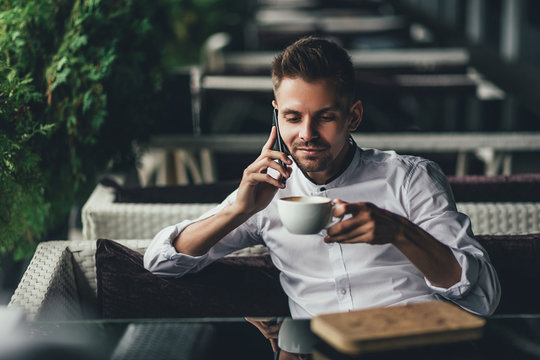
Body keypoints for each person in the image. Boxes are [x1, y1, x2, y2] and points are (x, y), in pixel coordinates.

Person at [144, 37, 500, 323]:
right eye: (293, 117)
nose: (307, 133)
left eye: (325, 117)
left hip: (411, 348)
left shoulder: (410, 179)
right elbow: (160, 262)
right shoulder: (265, 193)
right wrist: (238, 210)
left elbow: (483, 296)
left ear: (353, 116)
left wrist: (398, 231)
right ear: (277, 115)